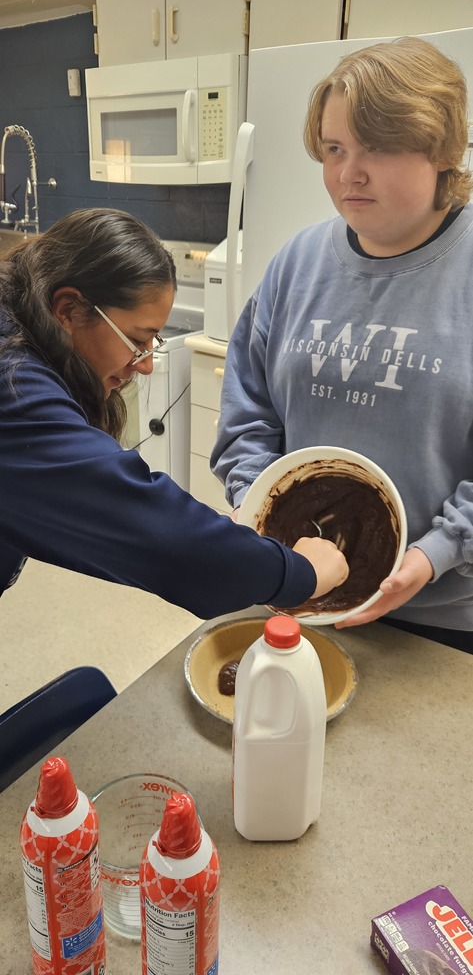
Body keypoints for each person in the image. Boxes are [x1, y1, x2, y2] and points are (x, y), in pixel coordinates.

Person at [211, 36, 473, 653]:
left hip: (442, 620)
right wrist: (258, 513)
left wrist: (436, 554)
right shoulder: (297, 263)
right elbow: (248, 413)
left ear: (441, 150)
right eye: (334, 148)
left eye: (377, 147)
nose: (347, 173)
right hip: (299, 592)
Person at [0, 207, 348, 621]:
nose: (145, 364)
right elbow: (153, 532)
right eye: (136, 339)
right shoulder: (14, 388)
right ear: (69, 310)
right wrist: (301, 573)